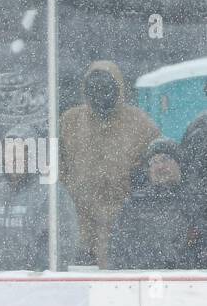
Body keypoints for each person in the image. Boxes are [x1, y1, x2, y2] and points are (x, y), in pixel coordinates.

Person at [59, 61, 159, 267]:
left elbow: (156, 169)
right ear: (85, 90)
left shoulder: (139, 123)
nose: (100, 93)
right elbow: (57, 171)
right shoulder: (71, 121)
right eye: (93, 88)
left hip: (125, 226)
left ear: (119, 88)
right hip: (79, 226)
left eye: (106, 87)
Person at [0, 130, 80, 271]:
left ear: (32, 157)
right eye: (8, 152)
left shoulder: (50, 193)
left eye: (20, 152)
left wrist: (36, 275)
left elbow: (63, 244)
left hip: (35, 286)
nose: (14, 158)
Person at [109, 139, 204, 270]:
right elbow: (119, 250)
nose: (160, 166)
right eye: (154, 162)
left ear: (179, 164)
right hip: (143, 281)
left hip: (189, 282)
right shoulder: (135, 204)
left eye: (165, 159)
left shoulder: (198, 202)